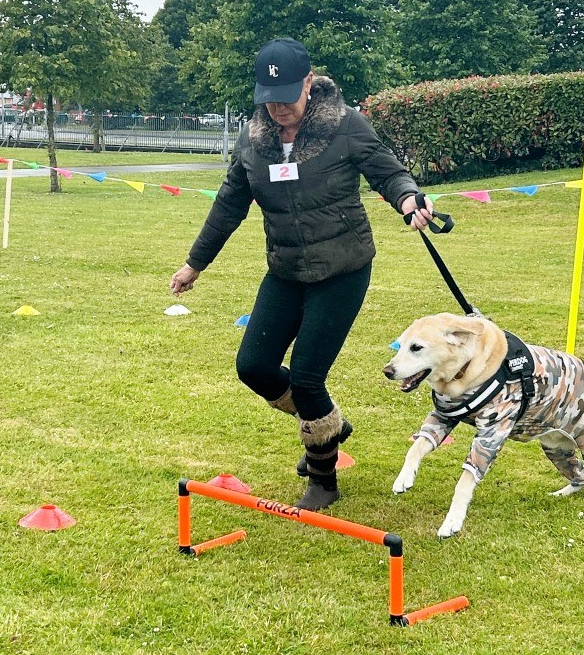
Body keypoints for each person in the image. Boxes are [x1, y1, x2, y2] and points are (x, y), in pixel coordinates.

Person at [170, 37, 434, 511]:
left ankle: (323, 479)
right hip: (286, 269)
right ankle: (329, 424)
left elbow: (388, 172)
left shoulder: (345, 126)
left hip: (342, 268)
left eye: (287, 96)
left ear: (309, 83)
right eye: (268, 100)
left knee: (309, 377)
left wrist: (409, 198)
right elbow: (230, 203)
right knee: (253, 366)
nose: (277, 108)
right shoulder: (253, 140)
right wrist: (195, 263)